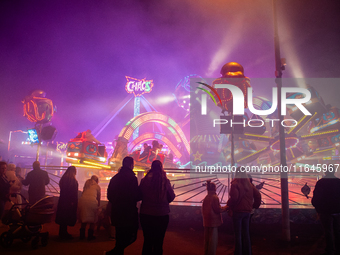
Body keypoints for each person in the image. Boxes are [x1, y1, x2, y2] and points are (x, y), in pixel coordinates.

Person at [139, 160, 176, 255]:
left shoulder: (144, 181)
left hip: (146, 214)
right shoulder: (165, 181)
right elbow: (171, 197)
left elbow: (139, 195)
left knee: (147, 240)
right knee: (158, 242)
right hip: (162, 215)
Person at [105, 156, 140, 255]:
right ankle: (116, 251)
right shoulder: (132, 178)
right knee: (131, 234)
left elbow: (109, 195)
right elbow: (135, 195)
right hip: (129, 212)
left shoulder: (115, 178)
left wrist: (116, 202)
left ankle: (117, 251)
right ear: (131, 165)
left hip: (117, 211)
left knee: (119, 234)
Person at [227, 168, 261, 255]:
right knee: (246, 234)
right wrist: (254, 206)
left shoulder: (235, 184)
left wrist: (228, 204)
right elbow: (258, 195)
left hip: (238, 212)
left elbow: (234, 198)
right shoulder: (250, 185)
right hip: (247, 212)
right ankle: (248, 252)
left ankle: (238, 253)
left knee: (238, 235)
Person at [312, 165, 340, 255]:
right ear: (334, 171)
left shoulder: (321, 183)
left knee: (328, 232)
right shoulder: (339, 182)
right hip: (338, 210)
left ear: (325, 171)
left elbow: (317, 197)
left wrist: (317, 208)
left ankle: (329, 250)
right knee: (338, 231)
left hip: (325, 211)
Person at [202, 180, 226, 255]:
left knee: (207, 239)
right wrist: (225, 208)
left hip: (207, 220)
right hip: (214, 221)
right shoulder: (215, 197)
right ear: (214, 188)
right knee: (213, 240)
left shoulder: (206, 197)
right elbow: (217, 209)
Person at [55, 166, 79, 240]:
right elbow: (74, 193)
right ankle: (64, 233)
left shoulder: (63, 179)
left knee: (62, 217)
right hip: (69, 202)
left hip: (63, 200)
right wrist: (74, 202)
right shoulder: (73, 181)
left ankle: (62, 232)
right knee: (67, 217)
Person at [78, 175, 101, 241]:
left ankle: (81, 236)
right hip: (92, 202)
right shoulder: (97, 186)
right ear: (97, 181)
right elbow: (98, 198)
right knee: (93, 219)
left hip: (83, 201)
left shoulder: (86, 184)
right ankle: (90, 236)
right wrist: (98, 206)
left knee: (84, 218)